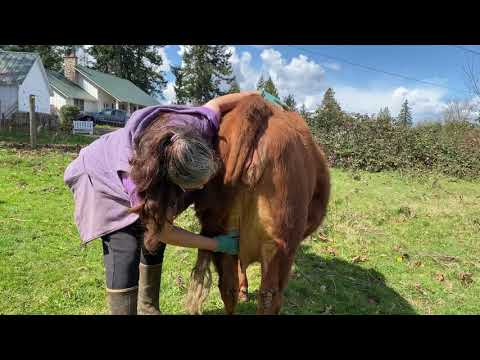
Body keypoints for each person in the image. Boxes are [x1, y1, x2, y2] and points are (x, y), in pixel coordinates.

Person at [64, 91, 258, 315]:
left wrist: (257, 97)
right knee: (126, 245)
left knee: (153, 243)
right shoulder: (141, 184)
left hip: (147, 164)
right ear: (174, 179)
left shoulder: (198, 127)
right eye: (197, 184)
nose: (203, 188)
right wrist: (216, 244)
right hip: (100, 174)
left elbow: (216, 103)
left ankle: (149, 309)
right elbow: (164, 231)